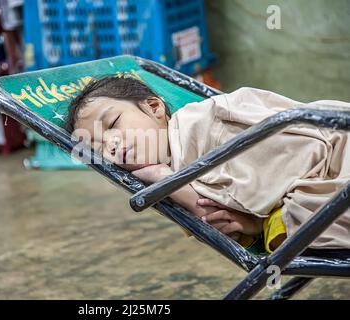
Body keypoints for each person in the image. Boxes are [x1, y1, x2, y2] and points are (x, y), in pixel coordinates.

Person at [64, 76, 350, 252]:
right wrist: (169, 182)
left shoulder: (201, 124)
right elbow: (227, 226)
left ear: (154, 107)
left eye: (113, 124)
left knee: (288, 225)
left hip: (336, 148)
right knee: (285, 228)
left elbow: (296, 151)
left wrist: (171, 182)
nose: (110, 145)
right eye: (97, 147)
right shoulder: (170, 167)